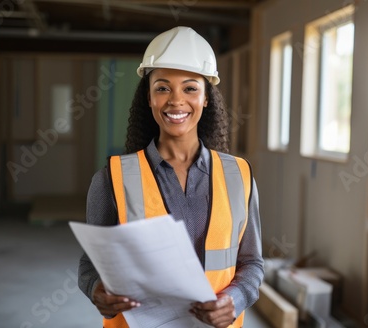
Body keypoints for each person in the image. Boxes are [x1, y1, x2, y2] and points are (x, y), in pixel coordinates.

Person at [78, 26, 264, 328]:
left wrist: (236, 299)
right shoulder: (111, 179)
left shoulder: (239, 175)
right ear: (148, 98)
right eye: (163, 88)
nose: (176, 100)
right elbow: (89, 266)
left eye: (190, 88)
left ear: (206, 98)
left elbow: (252, 263)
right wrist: (95, 289)